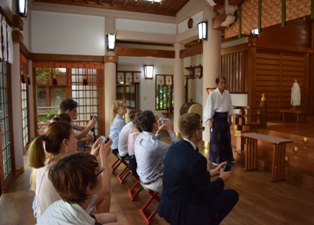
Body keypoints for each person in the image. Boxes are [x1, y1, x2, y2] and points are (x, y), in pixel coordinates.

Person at [158, 112, 239, 225]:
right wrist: (221, 179)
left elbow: (188, 175)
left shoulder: (173, 149)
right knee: (232, 195)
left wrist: (213, 172)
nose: (202, 131)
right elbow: (207, 192)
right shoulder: (197, 159)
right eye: (202, 128)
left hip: (167, 207)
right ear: (197, 133)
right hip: (184, 213)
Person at [28, 121, 115, 220]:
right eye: (74, 137)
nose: (77, 140)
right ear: (65, 143)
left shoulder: (48, 161)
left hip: (49, 216)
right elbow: (105, 188)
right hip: (64, 218)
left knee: (111, 216)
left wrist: (92, 155)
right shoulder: (61, 170)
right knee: (105, 193)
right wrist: (104, 157)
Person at [37, 152, 123, 225]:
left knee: (112, 217)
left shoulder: (62, 203)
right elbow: (106, 189)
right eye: (99, 171)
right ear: (89, 187)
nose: (101, 171)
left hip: (69, 216)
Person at [134, 110, 178, 193]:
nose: (159, 120)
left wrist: (158, 131)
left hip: (143, 177)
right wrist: (170, 129)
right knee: (183, 177)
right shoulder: (155, 145)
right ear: (154, 125)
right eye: (156, 119)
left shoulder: (140, 136)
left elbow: (152, 144)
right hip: (155, 182)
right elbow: (178, 150)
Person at [203, 76, 235, 166]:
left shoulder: (227, 94)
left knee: (226, 138)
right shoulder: (212, 94)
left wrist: (230, 118)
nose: (223, 84)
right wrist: (209, 119)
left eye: (224, 83)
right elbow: (209, 107)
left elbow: (230, 106)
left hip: (225, 118)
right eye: (221, 83)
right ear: (217, 84)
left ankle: (227, 158)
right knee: (216, 139)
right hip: (216, 118)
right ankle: (215, 159)